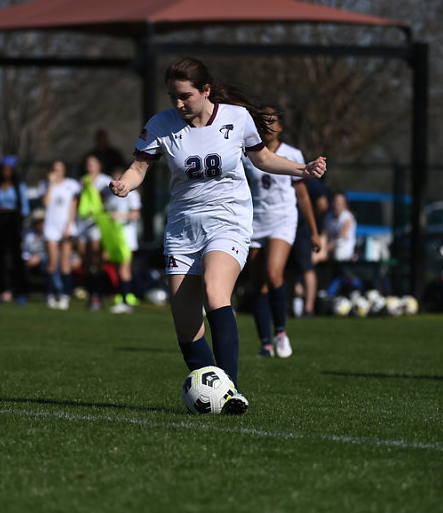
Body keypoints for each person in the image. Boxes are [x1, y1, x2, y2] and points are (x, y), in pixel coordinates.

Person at [110, 57, 326, 414]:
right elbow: (139, 167)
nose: (178, 103)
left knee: (215, 291)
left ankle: (231, 391)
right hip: (183, 228)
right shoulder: (161, 124)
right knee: (186, 325)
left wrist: (302, 168)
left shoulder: (236, 118)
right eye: (173, 97)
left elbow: (262, 159)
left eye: (185, 96)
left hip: (229, 220)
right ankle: (215, 391)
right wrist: (125, 184)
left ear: (206, 90)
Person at [242, 107, 321, 358]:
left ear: (281, 126)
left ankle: (280, 332)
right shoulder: (247, 153)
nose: (268, 126)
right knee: (258, 284)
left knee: (274, 273)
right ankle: (265, 343)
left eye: (272, 121)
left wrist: (314, 231)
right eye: (263, 122)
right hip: (255, 221)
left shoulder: (292, 154)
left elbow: (302, 195)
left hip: (282, 220)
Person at [0, 155, 30, 305]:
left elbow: (24, 208)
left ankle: (20, 292)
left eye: (9, 170)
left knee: (16, 258)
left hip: (13, 223)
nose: (6, 172)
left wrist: (19, 222)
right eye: (4, 170)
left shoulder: (19, 187)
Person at [39, 159, 79, 310]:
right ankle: (50, 294)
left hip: (65, 225)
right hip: (51, 226)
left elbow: (73, 206)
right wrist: (51, 184)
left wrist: (69, 225)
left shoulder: (71, 185)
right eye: (54, 169)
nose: (57, 172)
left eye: (59, 169)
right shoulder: (45, 185)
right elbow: (46, 203)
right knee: (52, 262)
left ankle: (65, 295)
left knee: (65, 263)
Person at [101, 166, 142, 313]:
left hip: (126, 237)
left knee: (125, 269)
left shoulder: (133, 195)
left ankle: (126, 301)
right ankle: (121, 298)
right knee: (118, 269)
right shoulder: (111, 196)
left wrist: (120, 216)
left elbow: (136, 214)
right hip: (114, 237)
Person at [77, 155, 112, 310]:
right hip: (83, 222)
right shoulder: (82, 180)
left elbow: (109, 201)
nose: (90, 166)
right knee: (84, 258)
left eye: (93, 164)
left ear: (99, 166)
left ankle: (98, 294)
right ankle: (90, 292)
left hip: (97, 223)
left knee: (97, 258)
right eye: (88, 164)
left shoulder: (105, 181)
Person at [291, 177, 329, 317]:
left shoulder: (309, 181)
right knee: (288, 269)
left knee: (307, 267)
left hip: (302, 228)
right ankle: (287, 307)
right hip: (287, 225)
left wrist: (311, 220)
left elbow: (322, 205)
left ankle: (308, 308)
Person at [315, 190, 357, 263]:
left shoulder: (347, 218)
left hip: (343, 251)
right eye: (336, 202)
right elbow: (324, 234)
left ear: (344, 204)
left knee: (339, 244)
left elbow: (340, 238)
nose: (337, 205)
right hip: (329, 249)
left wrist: (325, 249)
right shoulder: (329, 216)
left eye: (339, 203)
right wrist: (319, 247)